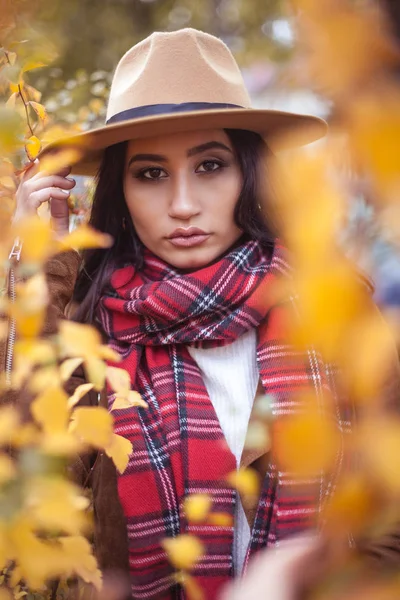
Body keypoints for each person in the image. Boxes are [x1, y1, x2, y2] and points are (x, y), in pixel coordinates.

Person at [4, 28, 400, 600]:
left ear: (248, 173)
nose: (184, 205)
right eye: (151, 174)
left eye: (210, 165)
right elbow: (29, 513)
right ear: (120, 188)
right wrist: (40, 275)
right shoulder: (87, 330)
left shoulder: (333, 308)